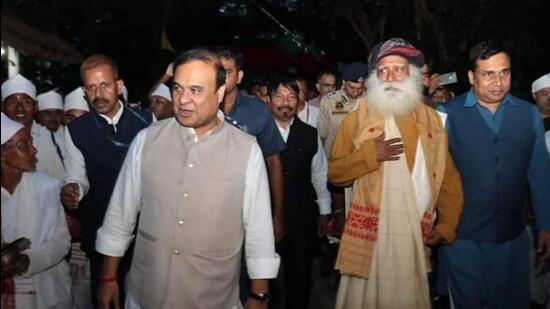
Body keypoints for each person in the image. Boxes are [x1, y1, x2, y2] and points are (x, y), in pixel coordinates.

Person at [95, 48, 279, 309]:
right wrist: (108, 276)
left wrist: (259, 294)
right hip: (146, 291)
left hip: (212, 297)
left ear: (219, 93)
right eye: (178, 88)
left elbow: (259, 230)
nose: (183, 100)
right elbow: (120, 214)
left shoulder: (247, 150)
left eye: (195, 90)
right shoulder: (147, 140)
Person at [328, 38, 463, 308]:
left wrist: (446, 227)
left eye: (398, 69)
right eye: (382, 70)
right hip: (370, 240)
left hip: (414, 235)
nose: (390, 76)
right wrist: (369, 156)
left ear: (412, 75)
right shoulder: (356, 120)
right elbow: (335, 173)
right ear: (374, 78)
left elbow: (447, 177)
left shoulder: (433, 121)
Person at [438, 41, 550, 309]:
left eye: (505, 72)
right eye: (488, 74)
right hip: (461, 237)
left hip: (511, 236)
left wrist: (545, 225)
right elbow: (432, 174)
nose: (498, 82)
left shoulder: (528, 114)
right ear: (471, 77)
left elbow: (539, 172)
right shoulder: (445, 115)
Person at [61, 54, 154, 306]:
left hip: (144, 233)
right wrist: (72, 190)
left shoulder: (147, 121)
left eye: (104, 85)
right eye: (91, 87)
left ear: (119, 85)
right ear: (84, 90)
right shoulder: (75, 130)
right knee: (105, 300)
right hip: (100, 230)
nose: (98, 94)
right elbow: (77, 176)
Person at [266, 75, 331, 308]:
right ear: (269, 99)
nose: (285, 102)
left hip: (301, 215)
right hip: (263, 215)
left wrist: (324, 211)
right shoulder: (256, 133)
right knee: (266, 276)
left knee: (300, 273)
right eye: (280, 96)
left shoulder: (309, 133)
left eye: (291, 96)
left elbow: (319, 173)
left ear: (299, 99)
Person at [1, 112, 71, 309]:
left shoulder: (48, 187)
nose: (34, 150)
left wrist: (29, 260)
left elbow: (61, 240)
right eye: (24, 146)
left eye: (31, 142)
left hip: (45, 292)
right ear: (2, 153)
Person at [216, 47, 286, 242]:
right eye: (217, 72)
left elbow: (274, 162)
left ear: (239, 76)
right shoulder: (201, 109)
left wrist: (277, 215)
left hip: (248, 206)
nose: (220, 78)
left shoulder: (257, 111)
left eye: (227, 72)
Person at [1, 75, 65, 180]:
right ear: (2, 107)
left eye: (26, 102)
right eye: (12, 102)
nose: (20, 108)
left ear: (36, 107)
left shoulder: (54, 140)